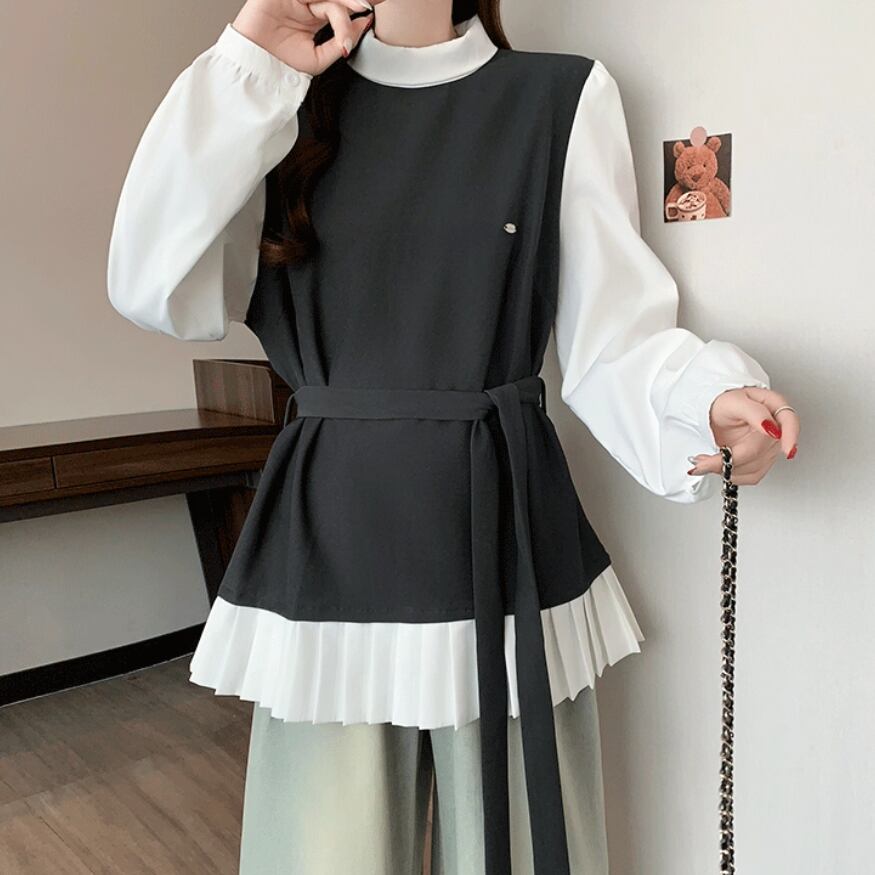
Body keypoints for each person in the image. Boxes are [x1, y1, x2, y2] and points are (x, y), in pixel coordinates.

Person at [106, 1, 801, 872]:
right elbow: (148, 282)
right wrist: (250, 59)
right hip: (334, 536)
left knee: (520, 841)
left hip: (501, 523)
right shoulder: (275, 105)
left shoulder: (558, 97)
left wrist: (706, 399)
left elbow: (612, 335)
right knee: (325, 851)